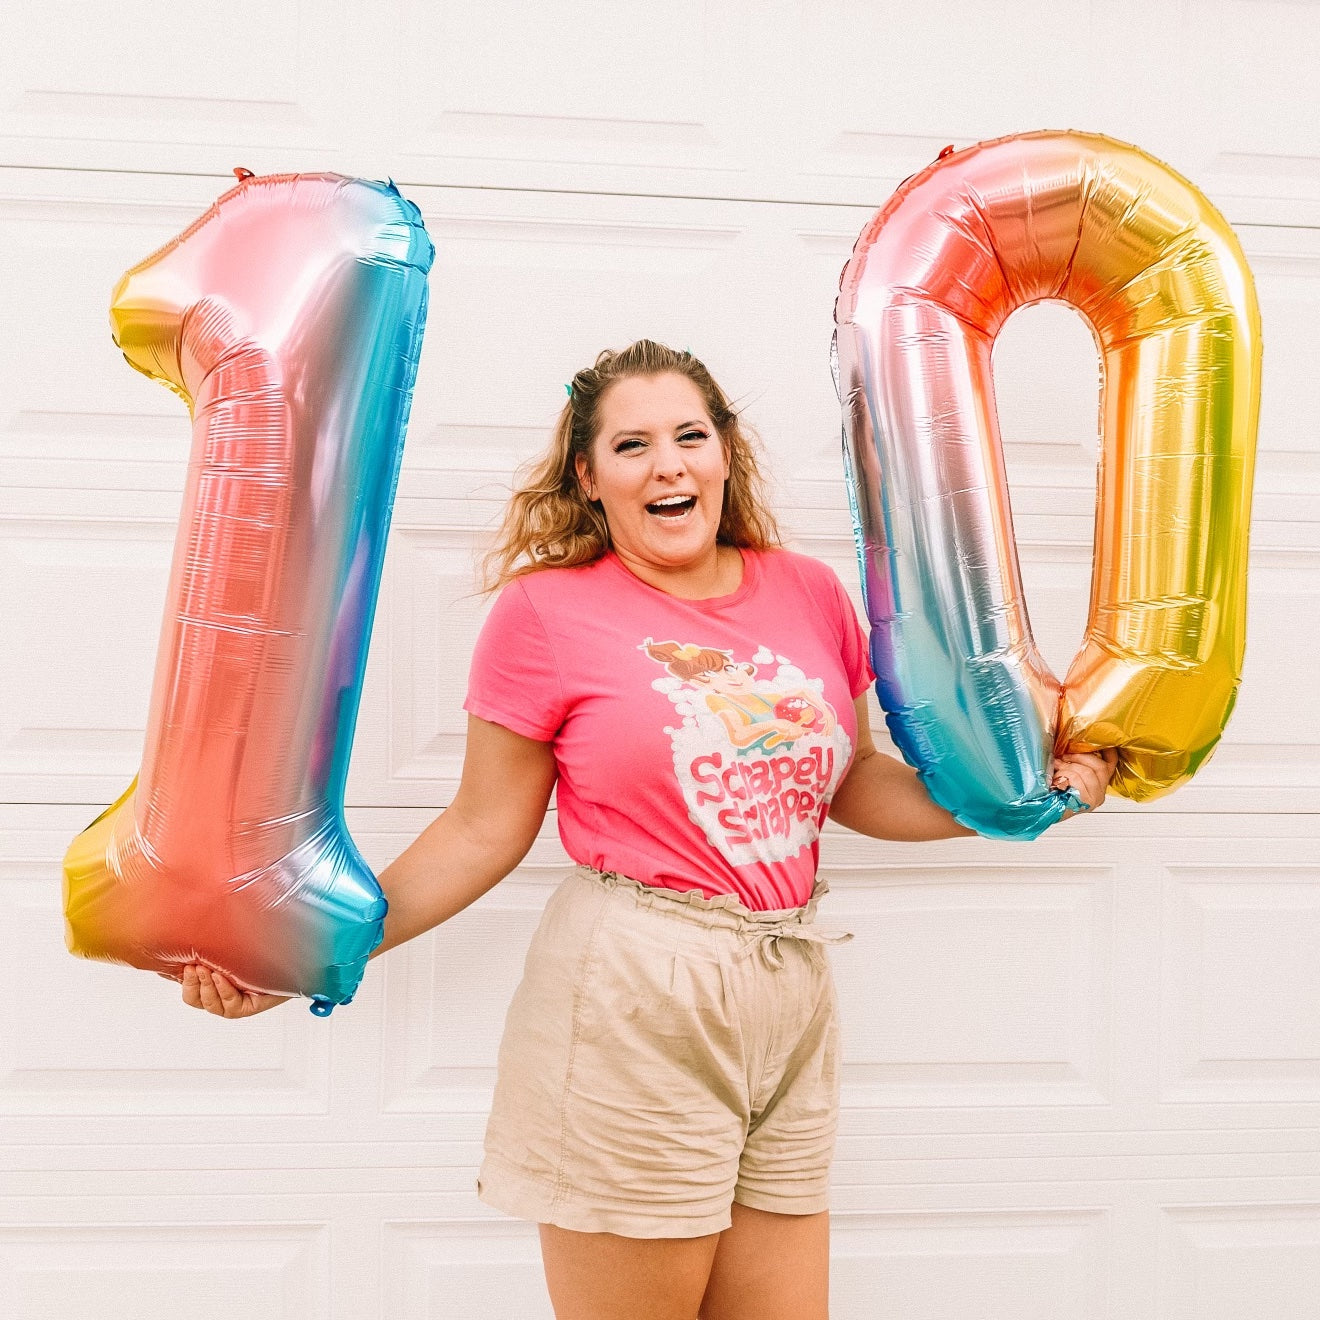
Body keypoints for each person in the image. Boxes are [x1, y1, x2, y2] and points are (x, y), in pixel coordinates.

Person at [180, 340, 1116, 1320]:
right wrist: (307, 951)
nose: (667, 463)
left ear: (723, 456)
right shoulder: (545, 615)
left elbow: (856, 784)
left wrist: (1026, 797)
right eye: (632, 445)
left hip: (787, 988)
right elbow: (478, 829)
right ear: (589, 479)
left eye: (689, 436)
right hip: (633, 992)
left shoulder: (810, 596)